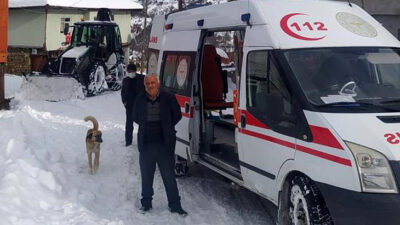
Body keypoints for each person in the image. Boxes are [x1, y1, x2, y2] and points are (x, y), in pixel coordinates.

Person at [133, 74, 188, 216]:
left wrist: (167, 127)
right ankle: (146, 204)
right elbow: (135, 116)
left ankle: (175, 205)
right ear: (145, 85)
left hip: (164, 145)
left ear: (158, 83)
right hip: (146, 145)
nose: (150, 85)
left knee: (169, 177)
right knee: (146, 177)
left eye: (152, 82)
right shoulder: (140, 99)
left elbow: (177, 115)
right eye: (147, 83)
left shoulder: (168, 98)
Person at [121, 64, 144, 146]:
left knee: (142, 126)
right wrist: (124, 102)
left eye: (132, 71)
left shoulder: (141, 79)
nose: (131, 73)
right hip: (129, 107)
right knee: (129, 125)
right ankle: (128, 142)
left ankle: (141, 142)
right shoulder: (125, 80)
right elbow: (123, 92)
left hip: (139, 107)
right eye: (129, 71)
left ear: (135, 71)